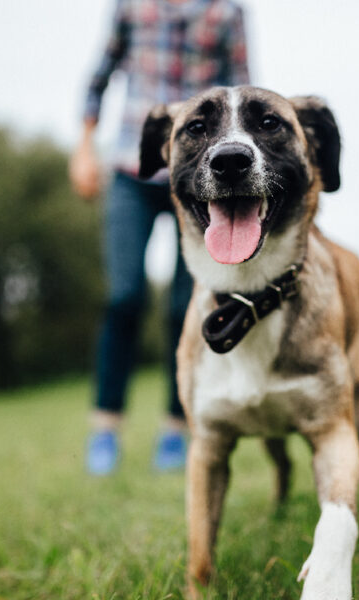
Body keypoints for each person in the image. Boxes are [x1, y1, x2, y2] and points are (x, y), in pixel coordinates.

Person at [71, 0, 250, 475]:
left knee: (184, 306)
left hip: (198, 175)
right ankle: (105, 429)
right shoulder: (132, 6)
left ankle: (175, 429)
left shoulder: (227, 13)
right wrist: (84, 148)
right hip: (133, 168)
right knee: (123, 297)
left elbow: (242, 91)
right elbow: (100, 76)